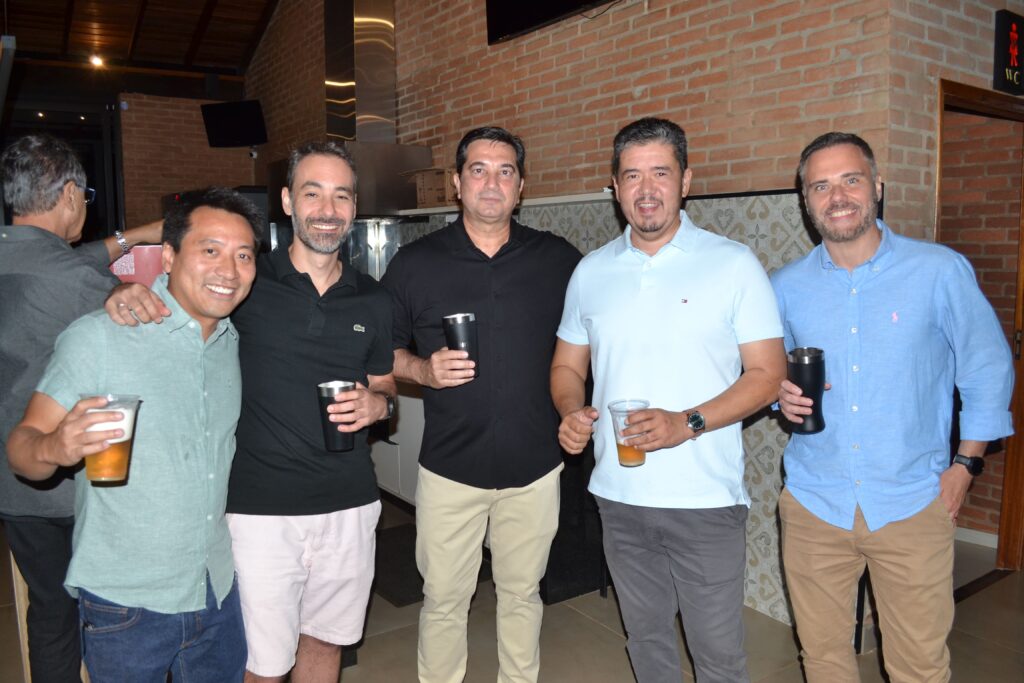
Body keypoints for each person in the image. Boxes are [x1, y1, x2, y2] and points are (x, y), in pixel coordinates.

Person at [107, 141, 396, 683]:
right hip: (259, 512)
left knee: (327, 643)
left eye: (341, 196)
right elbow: (177, 303)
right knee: (263, 664)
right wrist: (122, 293)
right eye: (312, 193)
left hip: (350, 505)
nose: (327, 210)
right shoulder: (246, 280)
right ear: (287, 201)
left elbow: (382, 383)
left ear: (355, 207)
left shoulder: (376, 299)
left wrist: (381, 404)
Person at [772, 132, 1014, 683]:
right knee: (823, 659)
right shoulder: (785, 286)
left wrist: (966, 465)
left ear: (877, 186)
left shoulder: (938, 271)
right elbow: (765, 373)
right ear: (806, 201)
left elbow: (987, 368)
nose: (837, 196)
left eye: (851, 180)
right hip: (814, 502)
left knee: (919, 666)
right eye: (821, 186)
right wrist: (778, 392)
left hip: (912, 502)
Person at [550, 117, 786, 683]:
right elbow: (566, 366)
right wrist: (570, 411)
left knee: (718, 657)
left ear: (686, 181)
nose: (646, 189)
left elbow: (768, 375)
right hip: (618, 495)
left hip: (704, 499)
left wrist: (688, 422)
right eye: (632, 175)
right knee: (647, 641)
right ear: (615, 187)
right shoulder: (590, 272)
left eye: (661, 172)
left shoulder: (733, 264)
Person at [6, 187, 262, 682]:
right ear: (168, 257)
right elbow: (21, 449)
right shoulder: (99, 337)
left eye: (243, 255)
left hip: (215, 586)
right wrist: (54, 446)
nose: (229, 270)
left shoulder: (232, 342)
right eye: (210, 250)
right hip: (127, 603)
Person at [381, 126, 581, 683]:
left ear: (521, 186)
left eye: (505, 171)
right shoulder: (415, 263)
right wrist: (423, 369)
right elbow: (382, 354)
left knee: (522, 596)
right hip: (450, 469)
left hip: (535, 468)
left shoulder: (557, 259)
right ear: (456, 183)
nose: (492, 183)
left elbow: (595, 337)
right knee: (444, 601)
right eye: (478, 170)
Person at [0, 132, 162, 683]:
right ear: (70, 195)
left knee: (49, 608)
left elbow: (55, 257)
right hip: (75, 484)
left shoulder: (31, 260)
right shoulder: (78, 283)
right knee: (111, 610)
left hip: (13, 482)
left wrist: (134, 235)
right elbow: (151, 342)